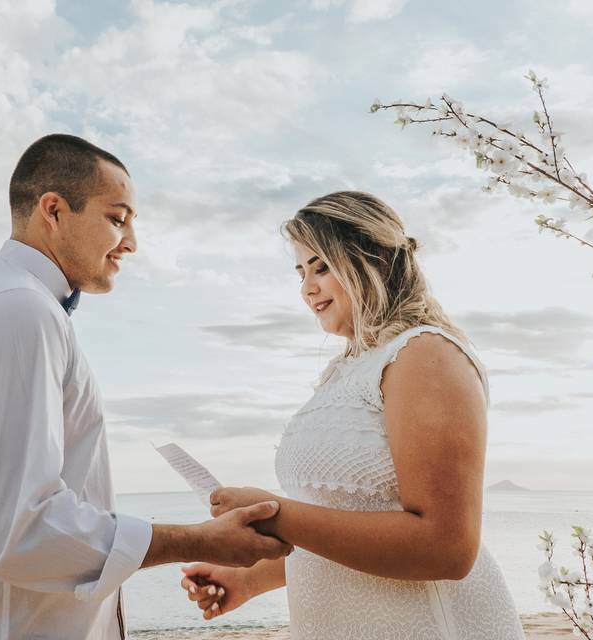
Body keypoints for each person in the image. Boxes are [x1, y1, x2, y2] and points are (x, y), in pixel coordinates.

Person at [0, 134, 291, 640]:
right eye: (117, 219)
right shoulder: (16, 312)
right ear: (52, 210)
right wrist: (199, 540)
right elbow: (23, 530)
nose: (132, 243)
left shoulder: (14, 306)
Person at [181, 191, 525, 639]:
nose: (308, 288)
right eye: (301, 272)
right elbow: (343, 520)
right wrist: (251, 578)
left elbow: (447, 547)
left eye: (322, 267)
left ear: (375, 260)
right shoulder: (346, 371)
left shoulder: (424, 354)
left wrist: (272, 512)